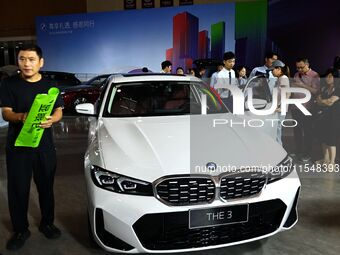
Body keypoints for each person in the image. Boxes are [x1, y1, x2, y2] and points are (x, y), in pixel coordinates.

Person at [0, 44, 63, 251]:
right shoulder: (9, 84)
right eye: (22, 59)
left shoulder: (50, 86)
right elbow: (6, 113)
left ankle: (47, 223)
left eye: (31, 59)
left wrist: (52, 120)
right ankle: (20, 230)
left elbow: (58, 111)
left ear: (41, 62)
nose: (26, 64)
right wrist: (21, 117)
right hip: (18, 147)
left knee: (46, 187)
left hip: (44, 146)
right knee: (18, 189)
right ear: (18, 61)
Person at [291, 58, 320, 162]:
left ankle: (308, 153)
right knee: (297, 130)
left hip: (308, 108)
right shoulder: (296, 75)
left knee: (307, 131)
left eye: (301, 67)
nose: (299, 69)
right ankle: (298, 150)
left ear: (307, 65)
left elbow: (316, 91)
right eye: (297, 67)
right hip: (295, 107)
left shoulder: (314, 75)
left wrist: (303, 86)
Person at [314, 68, 340, 169]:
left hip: (335, 117)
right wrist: (324, 101)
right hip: (323, 117)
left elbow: (330, 101)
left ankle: (332, 163)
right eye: (327, 76)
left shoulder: (338, 89)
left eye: (330, 76)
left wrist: (322, 101)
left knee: (331, 140)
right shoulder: (324, 88)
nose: (327, 78)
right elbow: (318, 100)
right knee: (323, 138)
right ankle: (325, 159)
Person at [271, 60, 291, 145]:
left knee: (277, 130)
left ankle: (279, 148)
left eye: (273, 70)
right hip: (279, 107)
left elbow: (287, 94)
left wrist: (281, 106)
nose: (271, 72)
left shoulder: (283, 78)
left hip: (280, 109)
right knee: (277, 129)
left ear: (279, 69)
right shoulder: (280, 78)